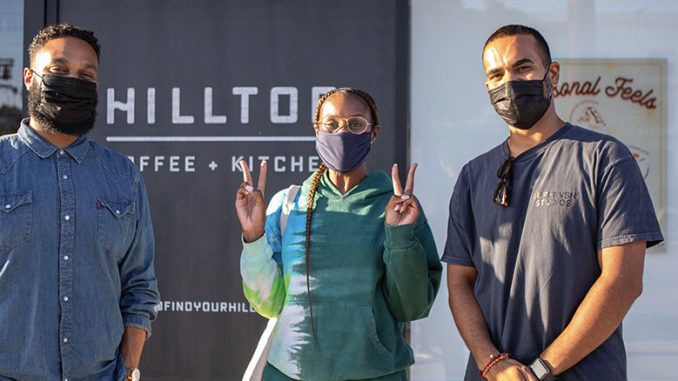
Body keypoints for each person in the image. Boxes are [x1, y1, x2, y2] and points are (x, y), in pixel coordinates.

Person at [443, 24, 663, 381]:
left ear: (552, 74)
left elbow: (622, 281)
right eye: (496, 74)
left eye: (522, 67)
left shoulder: (605, 159)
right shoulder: (473, 175)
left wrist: (541, 369)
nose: (509, 83)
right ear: (487, 87)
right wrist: (492, 364)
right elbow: (459, 283)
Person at [236, 87, 442, 381]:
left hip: (377, 375)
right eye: (331, 124)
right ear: (316, 131)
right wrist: (255, 238)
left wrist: (400, 237)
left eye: (355, 124)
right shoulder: (289, 204)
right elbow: (268, 304)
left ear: (373, 133)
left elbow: (412, 305)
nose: (342, 133)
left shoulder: (398, 208)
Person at [0, 23, 159, 381]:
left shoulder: (123, 175)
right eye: (58, 71)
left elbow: (139, 286)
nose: (73, 81)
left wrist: (129, 367)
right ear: (29, 77)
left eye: (85, 75)